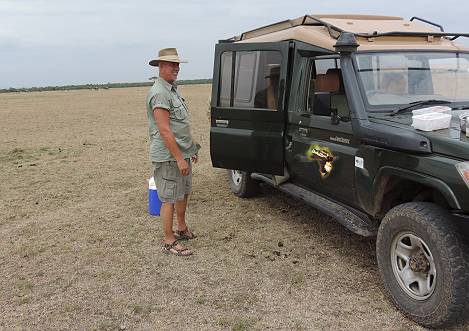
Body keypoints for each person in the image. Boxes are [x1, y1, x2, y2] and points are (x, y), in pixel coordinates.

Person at [146, 48, 200, 256]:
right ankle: (169, 240)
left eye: (177, 64)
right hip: (170, 157)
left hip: (181, 153)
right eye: (171, 64)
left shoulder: (171, 89)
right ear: (160, 66)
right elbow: (165, 130)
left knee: (183, 192)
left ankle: (182, 228)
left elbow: (180, 125)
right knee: (169, 198)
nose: (176, 68)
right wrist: (179, 158)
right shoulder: (159, 92)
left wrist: (190, 149)